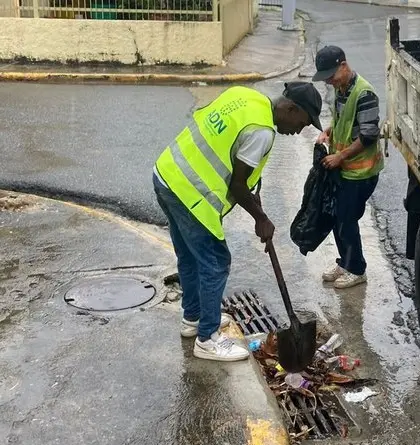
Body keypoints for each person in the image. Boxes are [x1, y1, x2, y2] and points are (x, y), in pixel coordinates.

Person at [152, 82, 322, 362]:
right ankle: (207, 339)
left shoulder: (246, 96)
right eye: (302, 123)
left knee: (190, 256)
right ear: (291, 109)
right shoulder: (263, 132)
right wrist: (261, 219)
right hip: (190, 193)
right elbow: (237, 185)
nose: (298, 131)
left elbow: (223, 139)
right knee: (216, 263)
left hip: (167, 173)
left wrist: (256, 195)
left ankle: (193, 318)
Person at [312, 45, 383, 289]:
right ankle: (345, 262)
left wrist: (340, 157)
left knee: (345, 219)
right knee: (335, 217)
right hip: (344, 169)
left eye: (331, 75)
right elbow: (344, 120)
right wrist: (329, 131)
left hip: (360, 172)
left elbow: (369, 135)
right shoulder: (341, 88)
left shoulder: (364, 94)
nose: (329, 81)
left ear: (343, 65)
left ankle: (357, 269)